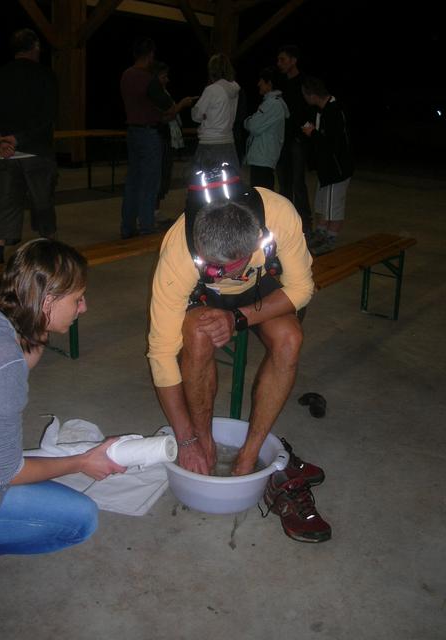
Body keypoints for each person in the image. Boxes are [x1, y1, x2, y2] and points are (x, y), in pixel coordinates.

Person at [147, 164, 331, 543]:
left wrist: (238, 317)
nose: (224, 276)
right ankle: (205, 440)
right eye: (214, 268)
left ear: (257, 238)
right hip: (204, 299)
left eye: (230, 268)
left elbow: (302, 289)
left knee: (290, 339)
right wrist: (186, 439)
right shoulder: (178, 254)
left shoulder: (279, 215)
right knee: (198, 334)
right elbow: (160, 353)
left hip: (261, 289)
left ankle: (250, 453)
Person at [0, 238, 126, 559]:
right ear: (47, 301)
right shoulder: (3, 363)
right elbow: (7, 474)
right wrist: (82, 462)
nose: (84, 307)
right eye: (77, 299)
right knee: (80, 519)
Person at [0, 28, 58, 266]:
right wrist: (17, 139)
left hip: (4, 153)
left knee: (5, 205)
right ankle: (50, 258)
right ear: (35, 47)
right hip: (37, 152)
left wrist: (0, 142)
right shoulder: (45, 76)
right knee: (43, 205)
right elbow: (48, 119)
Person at [119, 37, 195, 239]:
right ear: (150, 54)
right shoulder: (148, 79)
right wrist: (182, 104)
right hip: (149, 133)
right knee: (150, 182)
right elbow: (169, 108)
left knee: (132, 181)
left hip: (132, 132)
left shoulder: (126, 75)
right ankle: (146, 226)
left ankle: (127, 227)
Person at [301, 76, 354, 254]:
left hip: (336, 170)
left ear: (312, 95)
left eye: (305, 95)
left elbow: (332, 144)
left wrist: (313, 133)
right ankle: (321, 234)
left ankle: (330, 239)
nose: (304, 98)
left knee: (333, 208)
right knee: (322, 204)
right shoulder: (323, 110)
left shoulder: (334, 110)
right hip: (327, 170)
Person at [276, 44, 313, 237]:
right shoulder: (280, 84)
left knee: (298, 183)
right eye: (279, 60)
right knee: (284, 183)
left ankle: (305, 224)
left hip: (297, 141)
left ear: (293, 60)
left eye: (283, 59)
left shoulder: (304, 82)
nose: (279, 63)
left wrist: (304, 134)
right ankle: (286, 223)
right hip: (281, 140)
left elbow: (310, 110)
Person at [191, 53, 240, 172]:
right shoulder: (234, 89)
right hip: (228, 141)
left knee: (205, 180)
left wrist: (204, 115)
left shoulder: (211, 90)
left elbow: (196, 115)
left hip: (209, 142)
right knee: (229, 179)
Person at [244, 66, 289, 191]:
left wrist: (247, 121)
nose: (258, 84)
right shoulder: (271, 103)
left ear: (269, 83)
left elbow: (253, 126)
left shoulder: (272, 104)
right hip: (263, 158)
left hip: (263, 159)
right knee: (261, 194)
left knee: (261, 195)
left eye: (261, 81)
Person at [153, 61, 185, 218]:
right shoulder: (155, 94)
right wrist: (181, 105)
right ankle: (152, 212)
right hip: (159, 138)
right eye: (164, 76)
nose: (167, 80)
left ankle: (155, 211)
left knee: (164, 174)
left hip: (166, 138)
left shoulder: (163, 92)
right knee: (158, 176)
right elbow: (165, 116)